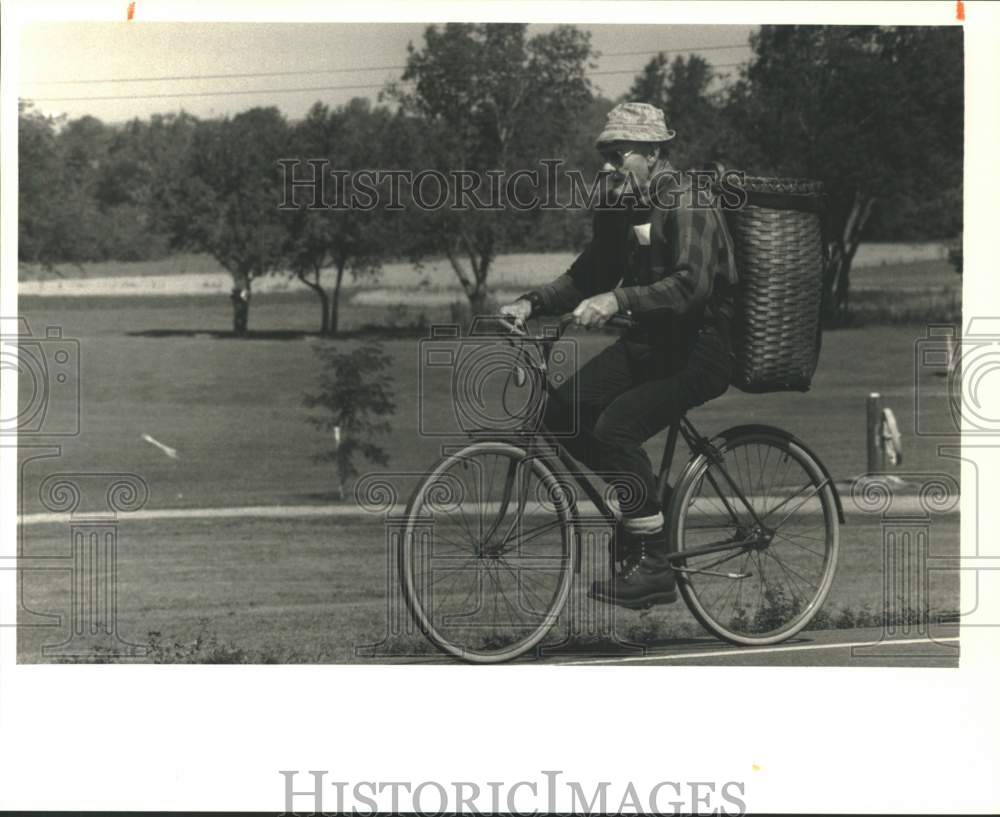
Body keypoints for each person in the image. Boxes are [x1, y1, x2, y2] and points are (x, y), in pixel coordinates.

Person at [499, 102, 739, 609]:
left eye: (618, 154)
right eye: (604, 155)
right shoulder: (619, 204)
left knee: (615, 430)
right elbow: (590, 274)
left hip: (702, 349)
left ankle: (654, 565)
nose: (607, 167)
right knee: (559, 417)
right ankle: (649, 501)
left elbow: (691, 286)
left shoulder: (687, 201)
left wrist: (619, 300)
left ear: (653, 153)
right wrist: (531, 303)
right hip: (650, 344)